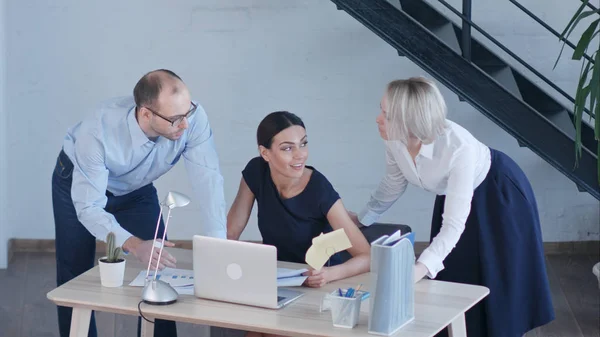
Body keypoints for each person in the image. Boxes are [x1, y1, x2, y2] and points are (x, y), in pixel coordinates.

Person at [349, 77, 555, 337]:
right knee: (456, 275)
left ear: (410, 122)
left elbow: (454, 224)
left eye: (387, 115)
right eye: (381, 110)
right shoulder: (393, 138)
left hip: (499, 195)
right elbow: (393, 182)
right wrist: (364, 218)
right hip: (453, 195)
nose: (378, 119)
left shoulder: (459, 147)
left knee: (501, 278)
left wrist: (418, 270)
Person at [52, 69, 227, 337]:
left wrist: (218, 246)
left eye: (188, 112)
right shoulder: (97, 132)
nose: (186, 125)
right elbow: (89, 208)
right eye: (176, 119)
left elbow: (209, 181)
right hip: (77, 182)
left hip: (136, 189)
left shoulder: (192, 119)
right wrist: (133, 244)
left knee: (160, 267)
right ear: (146, 113)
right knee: (75, 275)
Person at [227, 111, 370, 290]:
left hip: (318, 283)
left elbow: (366, 256)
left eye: (303, 144)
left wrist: (328, 274)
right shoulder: (256, 172)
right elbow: (230, 233)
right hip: (278, 277)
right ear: (265, 153)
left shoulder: (319, 188)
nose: (300, 154)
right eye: (287, 148)